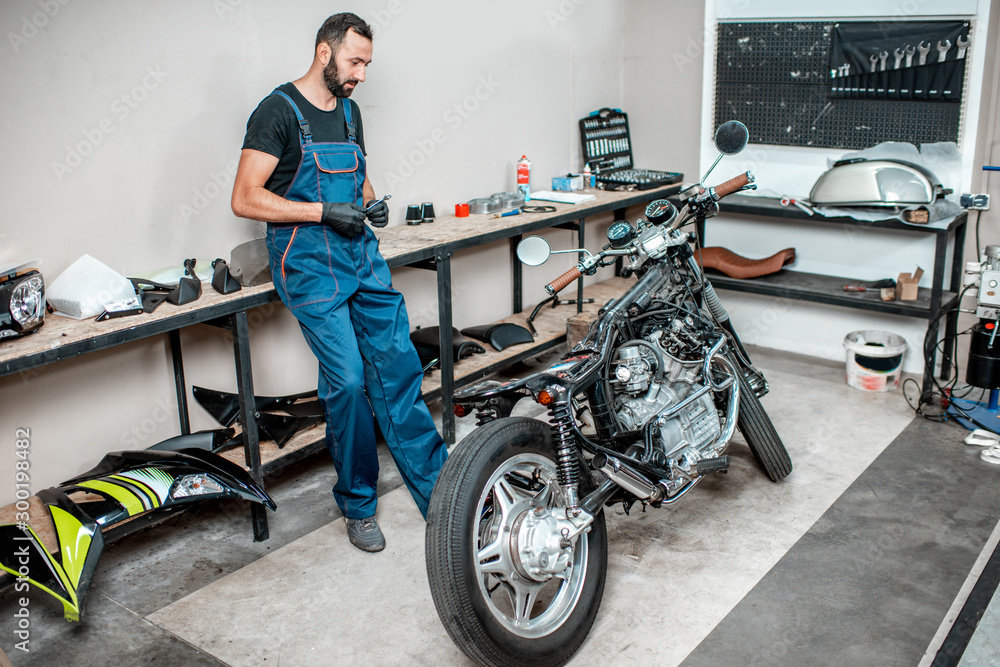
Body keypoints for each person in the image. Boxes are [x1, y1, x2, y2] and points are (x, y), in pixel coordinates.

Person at [231, 13, 447, 553]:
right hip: (308, 263)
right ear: (325, 53)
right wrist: (325, 211)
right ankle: (357, 503)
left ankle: (445, 498)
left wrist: (370, 202)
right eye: (355, 61)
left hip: (359, 255)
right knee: (349, 382)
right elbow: (245, 197)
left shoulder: (349, 112)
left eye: (367, 64)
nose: (362, 74)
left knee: (398, 371)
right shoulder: (277, 112)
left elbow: (359, 176)